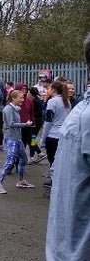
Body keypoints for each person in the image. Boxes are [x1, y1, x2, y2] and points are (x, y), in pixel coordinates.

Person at [45, 35, 90, 259]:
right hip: (57, 137)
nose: (71, 90)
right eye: (68, 88)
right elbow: (47, 122)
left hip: (58, 138)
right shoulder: (72, 106)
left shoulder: (75, 105)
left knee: (59, 168)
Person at [0, 90, 35, 194]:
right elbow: (10, 124)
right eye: (20, 97)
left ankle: (20, 181)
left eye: (23, 97)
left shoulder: (15, 109)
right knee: (10, 161)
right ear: (13, 98)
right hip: (11, 139)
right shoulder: (8, 109)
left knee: (24, 159)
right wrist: (25, 124)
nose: (22, 99)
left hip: (17, 138)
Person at [38, 81, 73, 188]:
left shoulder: (52, 102)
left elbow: (48, 122)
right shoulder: (66, 101)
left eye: (49, 88)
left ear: (53, 89)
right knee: (61, 160)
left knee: (52, 160)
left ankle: (55, 182)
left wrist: (43, 139)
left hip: (53, 136)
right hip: (64, 135)